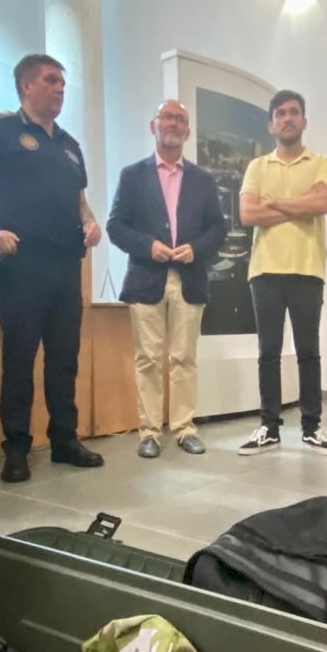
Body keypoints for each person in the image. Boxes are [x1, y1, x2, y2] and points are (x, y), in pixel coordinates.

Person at [0, 54, 104, 483]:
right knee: (20, 359)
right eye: (50, 80)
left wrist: (90, 222)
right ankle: (17, 448)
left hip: (66, 266)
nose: (60, 88)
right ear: (26, 85)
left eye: (62, 81)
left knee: (64, 359)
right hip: (22, 264)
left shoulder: (69, 144)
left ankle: (64, 439)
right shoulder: (0, 130)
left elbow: (79, 200)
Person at [107, 100, 228, 458]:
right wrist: (148, 246)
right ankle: (149, 432)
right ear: (153, 126)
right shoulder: (132, 175)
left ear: (187, 131)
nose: (173, 123)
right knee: (147, 359)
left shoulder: (203, 180)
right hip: (147, 279)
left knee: (184, 358)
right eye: (167, 117)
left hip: (189, 279)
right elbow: (115, 226)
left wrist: (196, 249)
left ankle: (184, 428)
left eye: (180, 119)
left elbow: (218, 229)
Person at [235, 90, 327, 458]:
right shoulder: (257, 166)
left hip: (308, 268)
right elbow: (248, 215)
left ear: (304, 120)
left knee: (308, 351)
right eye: (280, 113)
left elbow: (322, 203)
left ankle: (312, 429)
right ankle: (269, 428)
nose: (287, 118)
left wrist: (276, 202)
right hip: (265, 270)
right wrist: (301, 205)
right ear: (271, 124)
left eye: (294, 112)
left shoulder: (320, 162)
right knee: (268, 352)